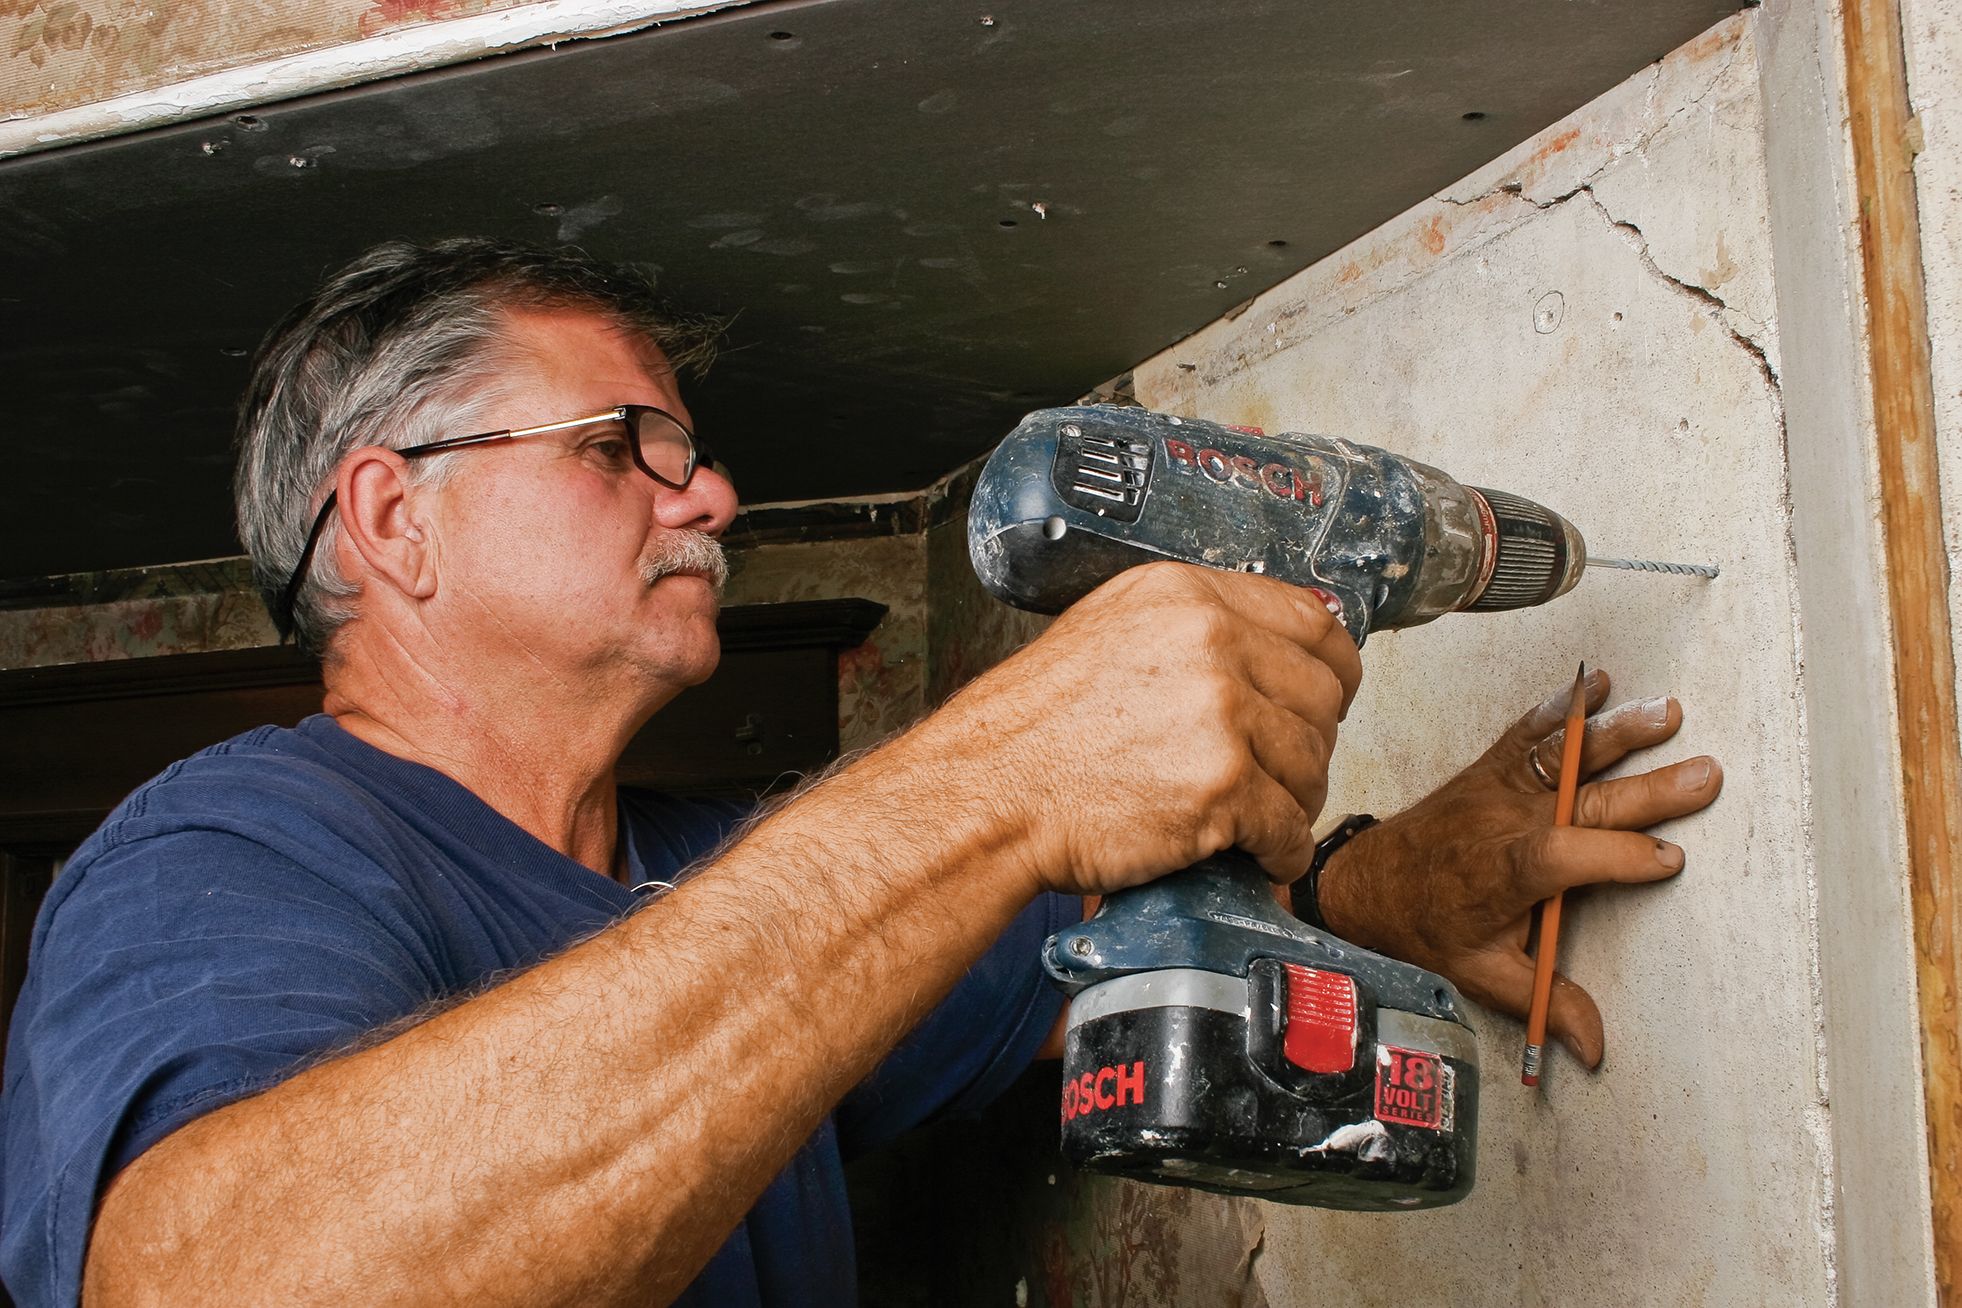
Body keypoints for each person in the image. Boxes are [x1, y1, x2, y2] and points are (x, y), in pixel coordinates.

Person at [0, 240, 1722, 1307]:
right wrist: (987, 776)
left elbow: (1077, 978)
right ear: (390, 518)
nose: (711, 499)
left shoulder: (716, 871)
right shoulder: (227, 856)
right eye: (626, 449)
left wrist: (1374, 886)